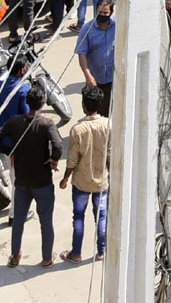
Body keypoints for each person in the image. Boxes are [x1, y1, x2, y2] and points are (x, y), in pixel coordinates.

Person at [1, 88, 63, 269]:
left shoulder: (15, 121)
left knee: (18, 219)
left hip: (21, 180)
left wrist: (10, 151)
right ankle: (47, 258)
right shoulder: (47, 123)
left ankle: (15, 256)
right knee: (46, 221)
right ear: (43, 103)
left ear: (27, 103)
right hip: (42, 181)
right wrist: (54, 159)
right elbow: (58, 144)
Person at [59, 85, 110, 263]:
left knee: (79, 217)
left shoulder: (77, 130)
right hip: (101, 181)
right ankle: (102, 252)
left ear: (83, 104)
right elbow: (110, 154)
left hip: (81, 182)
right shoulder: (107, 125)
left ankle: (76, 253)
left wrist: (65, 178)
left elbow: (72, 160)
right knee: (101, 216)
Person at [75, 0, 116, 116]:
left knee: (108, 114)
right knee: (92, 113)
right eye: (99, 12)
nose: (102, 15)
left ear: (111, 13)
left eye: (105, 13)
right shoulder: (87, 29)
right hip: (95, 81)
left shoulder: (118, 26)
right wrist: (88, 75)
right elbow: (81, 53)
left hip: (113, 80)